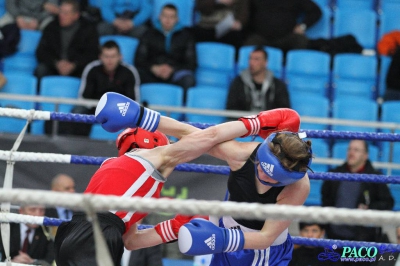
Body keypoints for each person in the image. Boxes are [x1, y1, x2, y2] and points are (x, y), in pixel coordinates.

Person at [54, 91, 303, 265]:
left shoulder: (114, 171)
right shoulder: (153, 160)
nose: (263, 175)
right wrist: (255, 123)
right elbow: (200, 139)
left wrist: (174, 227)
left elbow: (130, 241)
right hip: (94, 236)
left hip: (73, 232)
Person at [321, 140, 394, 243]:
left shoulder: (376, 178)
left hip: (362, 240)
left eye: (356, 150)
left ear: (365, 155)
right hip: (334, 236)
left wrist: (369, 209)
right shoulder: (334, 175)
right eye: (349, 149)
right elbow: (326, 201)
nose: (351, 153)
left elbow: (388, 203)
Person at [134, 4, 196, 103]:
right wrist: (153, 68)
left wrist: (172, 69)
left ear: (177, 19)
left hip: (175, 74)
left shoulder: (186, 36)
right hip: (152, 73)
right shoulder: (148, 34)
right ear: (159, 17)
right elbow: (139, 59)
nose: (168, 20)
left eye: (172, 17)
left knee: (188, 79)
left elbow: (191, 63)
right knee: (135, 74)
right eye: (165, 16)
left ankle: (182, 112)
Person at [35, 0, 99, 83]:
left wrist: (74, 65)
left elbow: (92, 53)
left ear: (76, 15)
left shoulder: (88, 29)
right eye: (60, 12)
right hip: (54, 66)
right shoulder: (51, 27)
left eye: (65, 13)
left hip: (78, 68)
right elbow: (41, 51)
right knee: (41, 70)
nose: (61, 15)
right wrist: (56, 63)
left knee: (91, 73)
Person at [226, 46, 291, 112]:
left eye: (256, 59)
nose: (251, 62)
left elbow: (284, 111)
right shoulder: (238, 82)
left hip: (269, 121)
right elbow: (231, 109)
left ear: (265, 62)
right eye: (250, 58)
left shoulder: (278, 85)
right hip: (244, 121)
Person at [244, 0, 321, 53]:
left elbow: (315, 11)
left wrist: (302, 26)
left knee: (301, 40)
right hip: (260, 37)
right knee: (246, 47)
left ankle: (292, 69)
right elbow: (244, 10)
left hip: (286, 37)